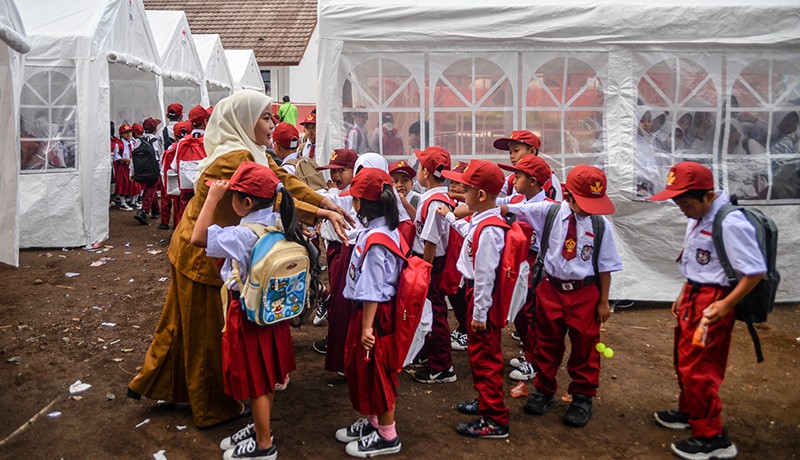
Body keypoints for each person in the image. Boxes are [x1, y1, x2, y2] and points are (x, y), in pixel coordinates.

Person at [127, 90, 354, 429]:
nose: (272, 124)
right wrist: (321, 211)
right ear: (244, 121)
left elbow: (287, 182)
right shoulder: (236, 159)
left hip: (204, 248)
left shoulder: (253, 153)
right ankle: (213, 407)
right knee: (205, 334)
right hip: (203, 256)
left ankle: (163, 384)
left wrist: (328, 205)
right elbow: (276, 196)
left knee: (182, 325)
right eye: (265, 117)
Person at [647, 162, 766, 460]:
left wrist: (725, 305)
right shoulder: (699, 215)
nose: (681, 209)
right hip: (694, 294)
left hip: (713, 300)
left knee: (700, 368)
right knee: (683, 358)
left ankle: (712, 436)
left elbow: (754, 271)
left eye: (686, 204)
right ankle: (690, 411)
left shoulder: (730, 223)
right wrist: (683, 292)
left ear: (709, 197)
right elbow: (701, 261)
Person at [191, 162, 304, 460]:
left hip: (249, 315)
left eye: (233, 195)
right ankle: (258, 427)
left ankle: (264, 445)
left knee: (257, 381)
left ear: (246, 202)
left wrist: (212, 198)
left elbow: (198, 238)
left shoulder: (242, 236)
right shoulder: (279, 220)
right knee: (266, 376)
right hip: (272, 312)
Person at [502, 165, 622, 428]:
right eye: (584, 202)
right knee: (546, 342)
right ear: (568, 196)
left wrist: (603, 301)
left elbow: (605, 267)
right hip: (552, 289)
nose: (590, 208)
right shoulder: (550, 212)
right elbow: (511, 208)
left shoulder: (601, 225)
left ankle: (582, 396)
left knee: (585, 346)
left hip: (584, 293)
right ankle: (543, 390)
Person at [437, 159, 510, 438]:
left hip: (483, 299)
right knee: (480, 355)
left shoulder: (490, 229)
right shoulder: (483, 221)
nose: (460, 193)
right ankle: (485, 401)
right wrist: (450, 217)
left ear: (480, 195)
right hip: (478, 295)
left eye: (466, 188)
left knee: (485, 357)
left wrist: (479, 314)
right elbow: (470, 234)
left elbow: (485, 275)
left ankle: (495, 418)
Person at [336, 168, 404, 458]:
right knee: (364, 369)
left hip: (374, 316)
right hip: (369, 312)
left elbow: (373, 288)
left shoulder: (378, 241)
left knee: (378, 371)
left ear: (361, 204)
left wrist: (366, 327)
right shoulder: (380, 230)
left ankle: (388, 434)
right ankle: (375, 422)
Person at [496, 155, 556, 382]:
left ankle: (534, 361)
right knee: (520, 310)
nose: (513, 178)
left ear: (533, 182)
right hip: (520, 261)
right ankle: (529, 352)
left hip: (537, 265)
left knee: (531, 312)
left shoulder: (546, 207)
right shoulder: (520, 197)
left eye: (518, 175)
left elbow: (500, 207)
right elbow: (499, 201)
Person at [410, 146, 457, 385]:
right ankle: (429, 353)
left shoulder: (434, 201)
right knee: (428, 311)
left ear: (426, 173)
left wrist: (424, 272)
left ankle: (442, 365)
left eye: (419, 167)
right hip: (430, 260)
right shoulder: (433, 198)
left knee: (435, 312)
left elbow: (430, 242)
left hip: (431, 262)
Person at [313, 148, 360, 372]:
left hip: (344, 249)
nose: (336, 176)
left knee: (343, 302)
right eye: (333, 171)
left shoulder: (351, 194)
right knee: (338, 301)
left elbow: (326, 200)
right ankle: (337, 342)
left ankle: (343, 352)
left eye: (341, 170)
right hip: (334, 248)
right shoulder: (338, 191)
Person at [493, 130, 562, 201]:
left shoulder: (550, 180)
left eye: (516, 150)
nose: (512, 156)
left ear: (532, 151)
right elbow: (489, 187)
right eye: (510, 152)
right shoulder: (511, 179)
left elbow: (557, 209)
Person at [159, 121, 193, 230]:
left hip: (175, 184)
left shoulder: (171, 149)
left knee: (177, 206)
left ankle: (176, 228)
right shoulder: (195, 146)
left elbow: (164, 168)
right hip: (191, 184)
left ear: (174, 135)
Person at [114, 123, 142, 211]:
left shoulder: (133, 142)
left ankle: (133, 202)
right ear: (121, 134)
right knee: (123, 184)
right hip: (123, 167)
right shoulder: (119, 144)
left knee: (134, 184)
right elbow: (116, 156)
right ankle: (122, 203)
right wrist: (124, 159)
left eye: (130, 132)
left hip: (132, 166)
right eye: (126, 132)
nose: (128, 134)